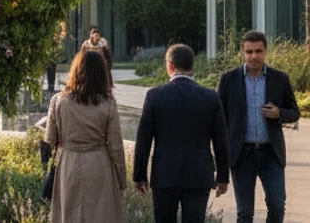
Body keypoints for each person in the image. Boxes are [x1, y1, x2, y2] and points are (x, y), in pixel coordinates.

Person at [133, 44, 230, 223]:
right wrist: (223, 176)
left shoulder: (155, 96)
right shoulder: (210, 97)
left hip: (165, 174)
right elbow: (221, 140)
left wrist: (140, 175)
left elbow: (143, 139)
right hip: (198, 174)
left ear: (169, 66)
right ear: (192, 66)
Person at [217, 30, 299, 223]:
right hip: (241, 154)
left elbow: (294, 112)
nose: (254, 56)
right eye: (249, 51)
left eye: (258, 51)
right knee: (245, 213)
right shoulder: (228, 80)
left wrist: (280, 113)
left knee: (277, 206)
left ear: (265, 52)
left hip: (271, 153)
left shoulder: (280, 79)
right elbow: (219, 119)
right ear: (243, 53)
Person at [46, 48, 127, 222]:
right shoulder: (108, 104)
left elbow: (50, 140)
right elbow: (116, 146)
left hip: (69, 163)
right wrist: (122, 179)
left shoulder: (58, 101)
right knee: (99, 214)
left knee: (69, 214)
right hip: (99, 164)